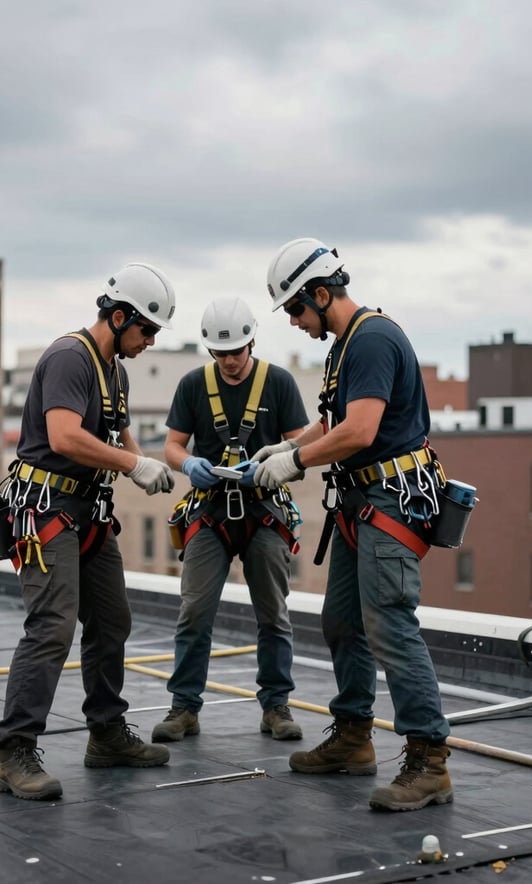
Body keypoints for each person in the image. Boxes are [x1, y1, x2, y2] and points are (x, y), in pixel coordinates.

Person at [253, 238, 453, 812]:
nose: (295, 322)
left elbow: (361, 430)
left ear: (322, 293)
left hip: (389, 501)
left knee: (389, 623)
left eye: (296, 309)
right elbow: (333, 422)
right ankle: (353, 737)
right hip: (359, 502)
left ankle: (429, 760)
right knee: (342, 620)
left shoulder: (371, 340)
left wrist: (293, 463)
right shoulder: (346, 345)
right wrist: (284, 446)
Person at [0, 262, 178, 801]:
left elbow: (120, 437)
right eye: (146, 330)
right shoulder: (69, 358)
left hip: (88, 511)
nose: (149, 341)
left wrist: (148, 466)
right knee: (52, 625)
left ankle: (106, 734)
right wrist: (131, 466)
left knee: (112, 618)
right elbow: (66, 437)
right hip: (46, 507)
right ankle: (15, 752)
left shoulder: (114, 371)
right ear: (118, 317)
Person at [151, 296, 309, 744]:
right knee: (194, 612)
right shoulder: (193, 385)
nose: (230, 361)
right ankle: (184, 708)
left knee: (273, 614)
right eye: (220, 354)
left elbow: (300, 446)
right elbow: (173, 446)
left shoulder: (277, 382)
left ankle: (276, 706)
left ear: (252, 342)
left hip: (264, 511)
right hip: (210, 511)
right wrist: (188, 465)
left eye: (236, 352)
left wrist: (277, 460)